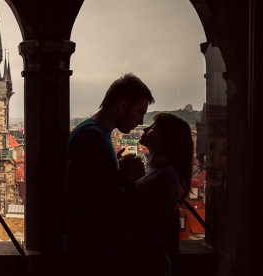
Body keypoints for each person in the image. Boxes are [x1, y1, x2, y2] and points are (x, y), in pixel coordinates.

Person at [62, 73, 155, 275]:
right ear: (123, 105)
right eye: (140, 113)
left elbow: (93, 180)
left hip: (91, 246)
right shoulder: (91, 134)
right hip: (88, 248)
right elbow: (75, 192)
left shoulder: (97, 132)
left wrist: (117, 171)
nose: (140, 122)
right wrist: (125, 176)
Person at [123, 113, 193, 275]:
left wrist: (127, 180)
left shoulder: (167, 175)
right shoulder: (154, 168)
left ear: (166, 139)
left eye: (154, 127)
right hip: (141, 255)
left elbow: (149, 222)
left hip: (146, 259)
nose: (146, 128)